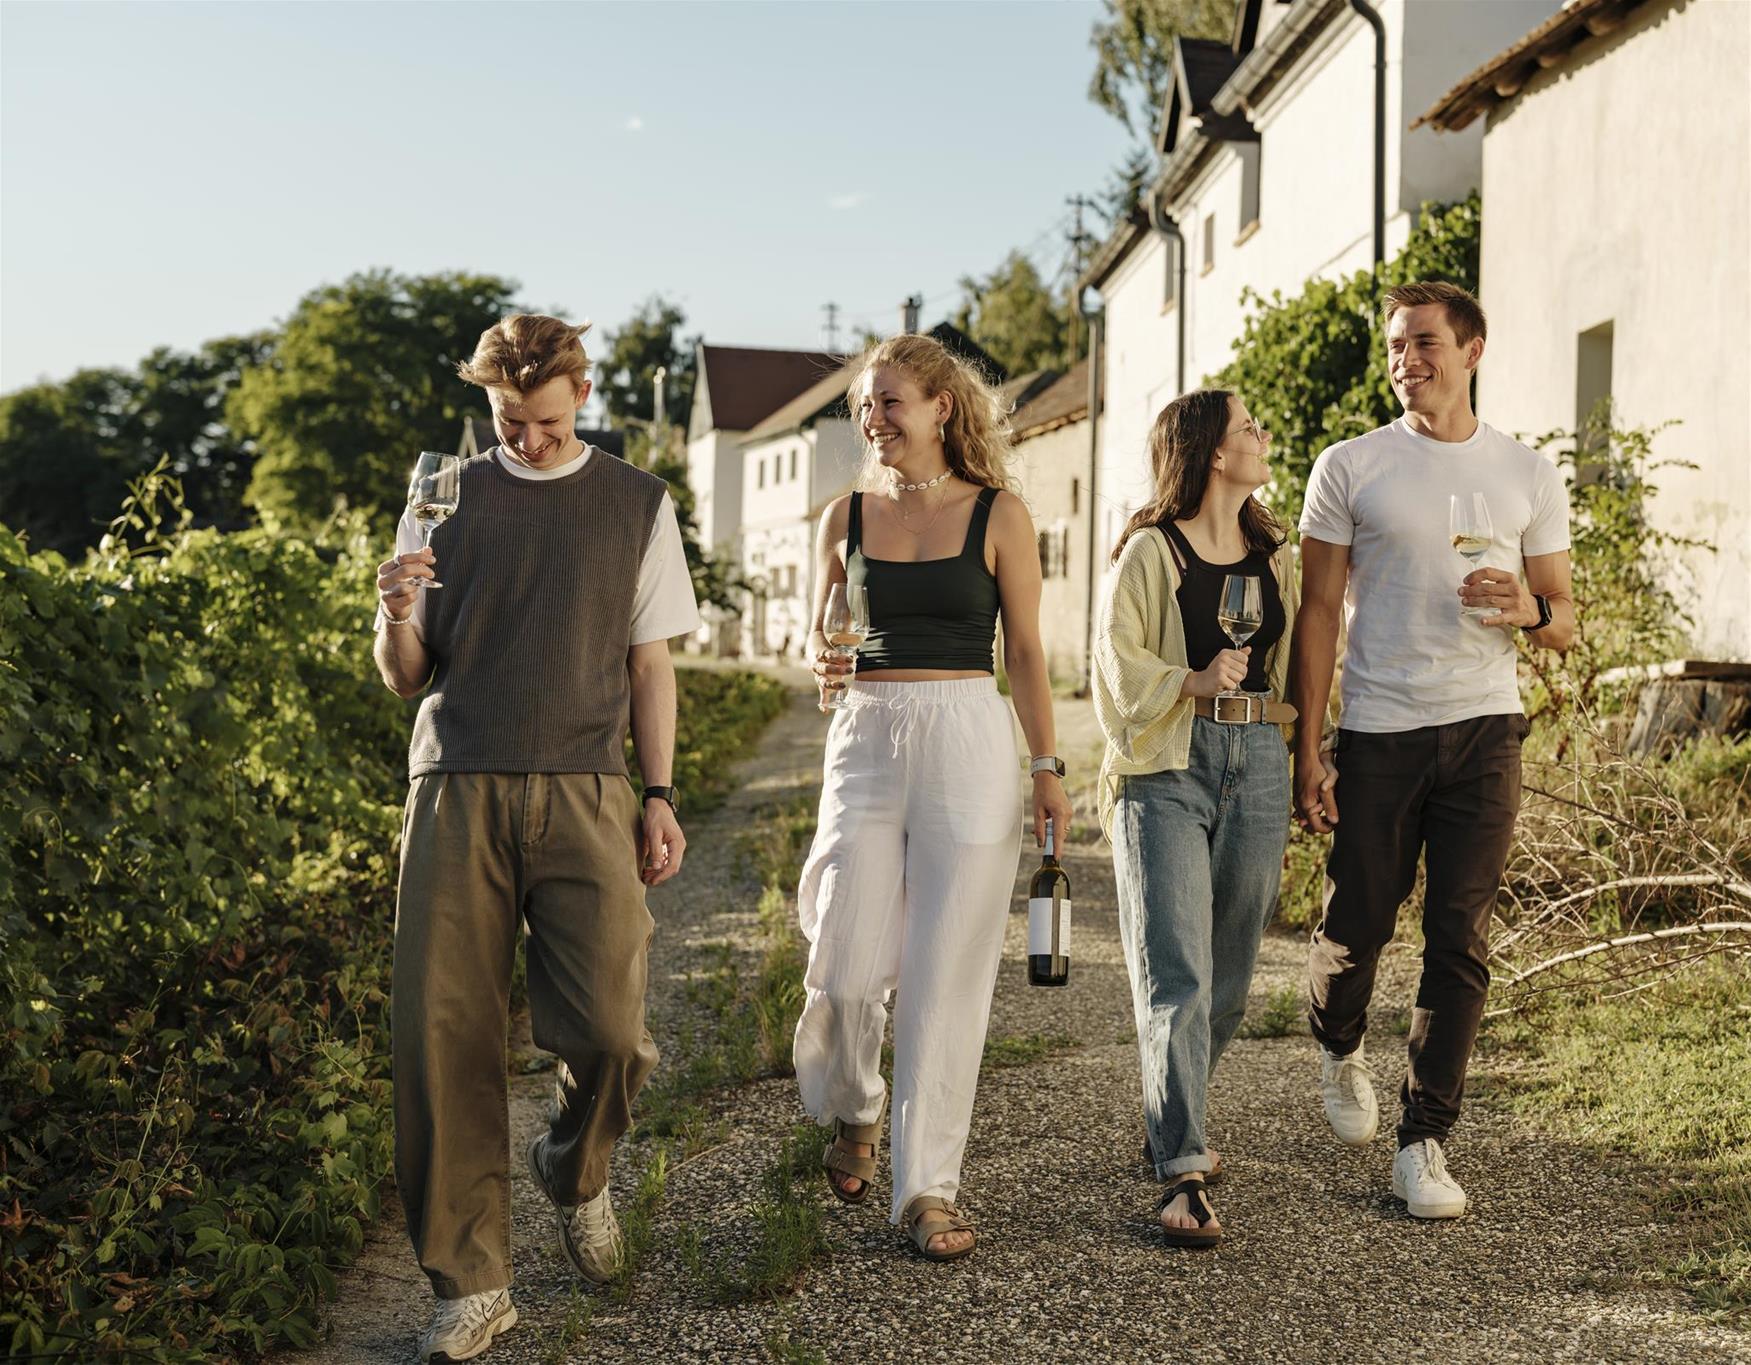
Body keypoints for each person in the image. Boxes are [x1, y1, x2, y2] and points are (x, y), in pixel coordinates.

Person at [373, 314, 700, 1362]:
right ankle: (472, 1284)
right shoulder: (441, 497)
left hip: (587, 786)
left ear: (583, 395)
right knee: (443, 1035)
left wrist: (659, 793)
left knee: (611, 1028)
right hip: (454, 784)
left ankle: (574, 1168)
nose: (529, 440)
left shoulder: (637, 503)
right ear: (488, 402)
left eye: (548, 421)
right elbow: (405, 677)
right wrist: (394, 610)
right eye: (509, 421)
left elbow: (650, 666)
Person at [1291, 281, 1573, 1220]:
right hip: (1378, 727)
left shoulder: (1525, 472)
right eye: (1395, 346)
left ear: (1471, 350)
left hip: (1486, 727)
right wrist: (1308, 744)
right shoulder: (1350, 465)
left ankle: (1423, 1139)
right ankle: (1337, 1041)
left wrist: (1528, 606)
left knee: (1459, 937)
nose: (1405, 360)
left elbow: (1562, 621)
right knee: (1357, 925)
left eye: (1423, 343)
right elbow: (1319, 611)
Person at [792, 332, 1073, 1262]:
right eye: (864, 405)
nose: (873, 418)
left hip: (967, 738)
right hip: (866, 735)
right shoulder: (844, 516)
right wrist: (822, 660)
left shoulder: (999, 514)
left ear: (940, 406)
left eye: (889, 401)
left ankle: (926, 1188)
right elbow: (819, 634)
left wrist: (1046, 766)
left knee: (945, 976)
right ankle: (858, 1104)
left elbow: (1023, 652)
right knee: (842, 961)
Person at [1093, 389, 1307, 1247]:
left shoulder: (1275, 555)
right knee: (1176, 970)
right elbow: (1113, 661)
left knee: (1229, 978)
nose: (1262, 433)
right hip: (1165, 766)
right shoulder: (1152, 550)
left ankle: (1168, 1108)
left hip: (1257, 760)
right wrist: (1189, 679)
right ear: (1213, 453)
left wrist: (1311, 751)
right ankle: (1182, 1170)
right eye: (1249, 425)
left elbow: (1294, 661)